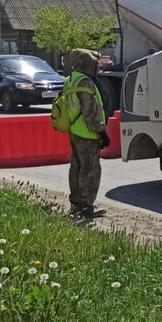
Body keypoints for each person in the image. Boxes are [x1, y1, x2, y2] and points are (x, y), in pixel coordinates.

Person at [59, 48, 110, 219]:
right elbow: (90, 110)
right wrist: (102, 131)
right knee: (90, 169)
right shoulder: (85, 82)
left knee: (76, 167)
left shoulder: (71, 79)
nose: (97, 68)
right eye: (95, 65)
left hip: (74, 130)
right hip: (87, 132)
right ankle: (86, 206)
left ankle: (76, 203)